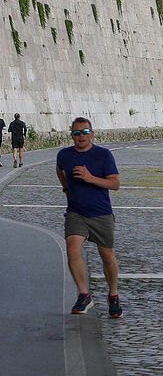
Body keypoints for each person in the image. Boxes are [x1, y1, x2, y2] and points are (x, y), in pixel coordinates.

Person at [56, 118, 120, 317]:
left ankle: (113, 295)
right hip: (76, 212)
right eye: (76, 133)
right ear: (71, 135)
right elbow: (59, 169)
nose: (81, 136)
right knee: (72, 250)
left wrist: (89, 178)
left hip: (101, 213)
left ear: (92, 133)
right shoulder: (64, 155)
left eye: (84, 132)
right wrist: (66, 188)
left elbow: (115, 184)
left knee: (107, 256)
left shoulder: (103, 155)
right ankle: (84, 295)